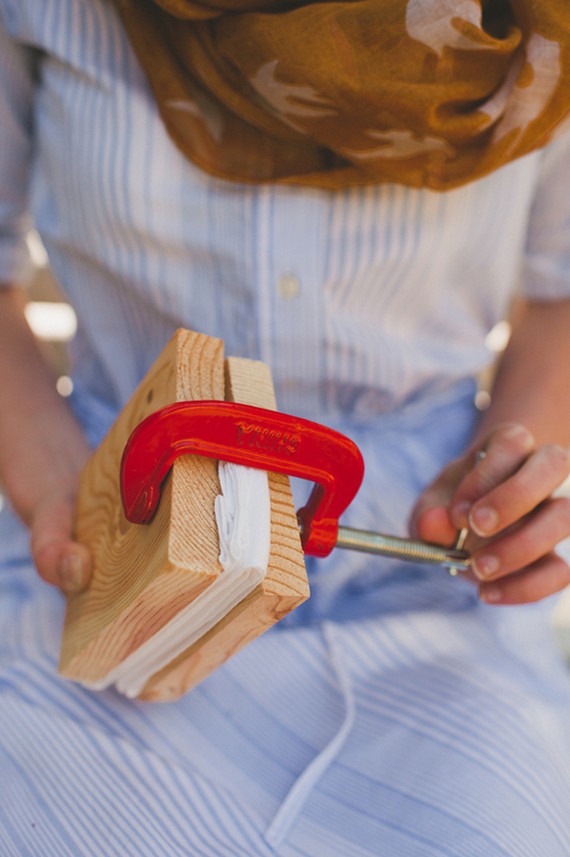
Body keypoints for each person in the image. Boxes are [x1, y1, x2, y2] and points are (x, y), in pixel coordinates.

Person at [2, 0, 570, 854]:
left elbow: (559, 292)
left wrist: (507, 468)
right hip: (108, 526)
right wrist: (53, 487)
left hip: (415, 558)